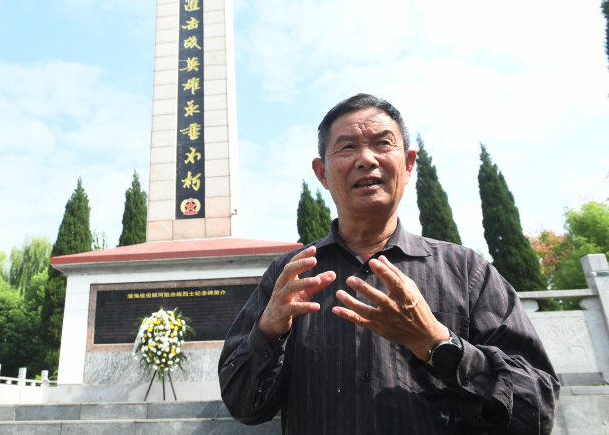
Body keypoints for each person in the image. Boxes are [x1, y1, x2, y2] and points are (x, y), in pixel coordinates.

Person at [218, 94, 559, 434]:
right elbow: (243, 407)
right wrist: (268, 332)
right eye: (347, 147)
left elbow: (536, 409)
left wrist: (436, 343)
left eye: (383, 143)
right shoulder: (289, 276)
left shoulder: (468, 271)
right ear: (322, 173)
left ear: (409, 164)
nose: (366, 159)